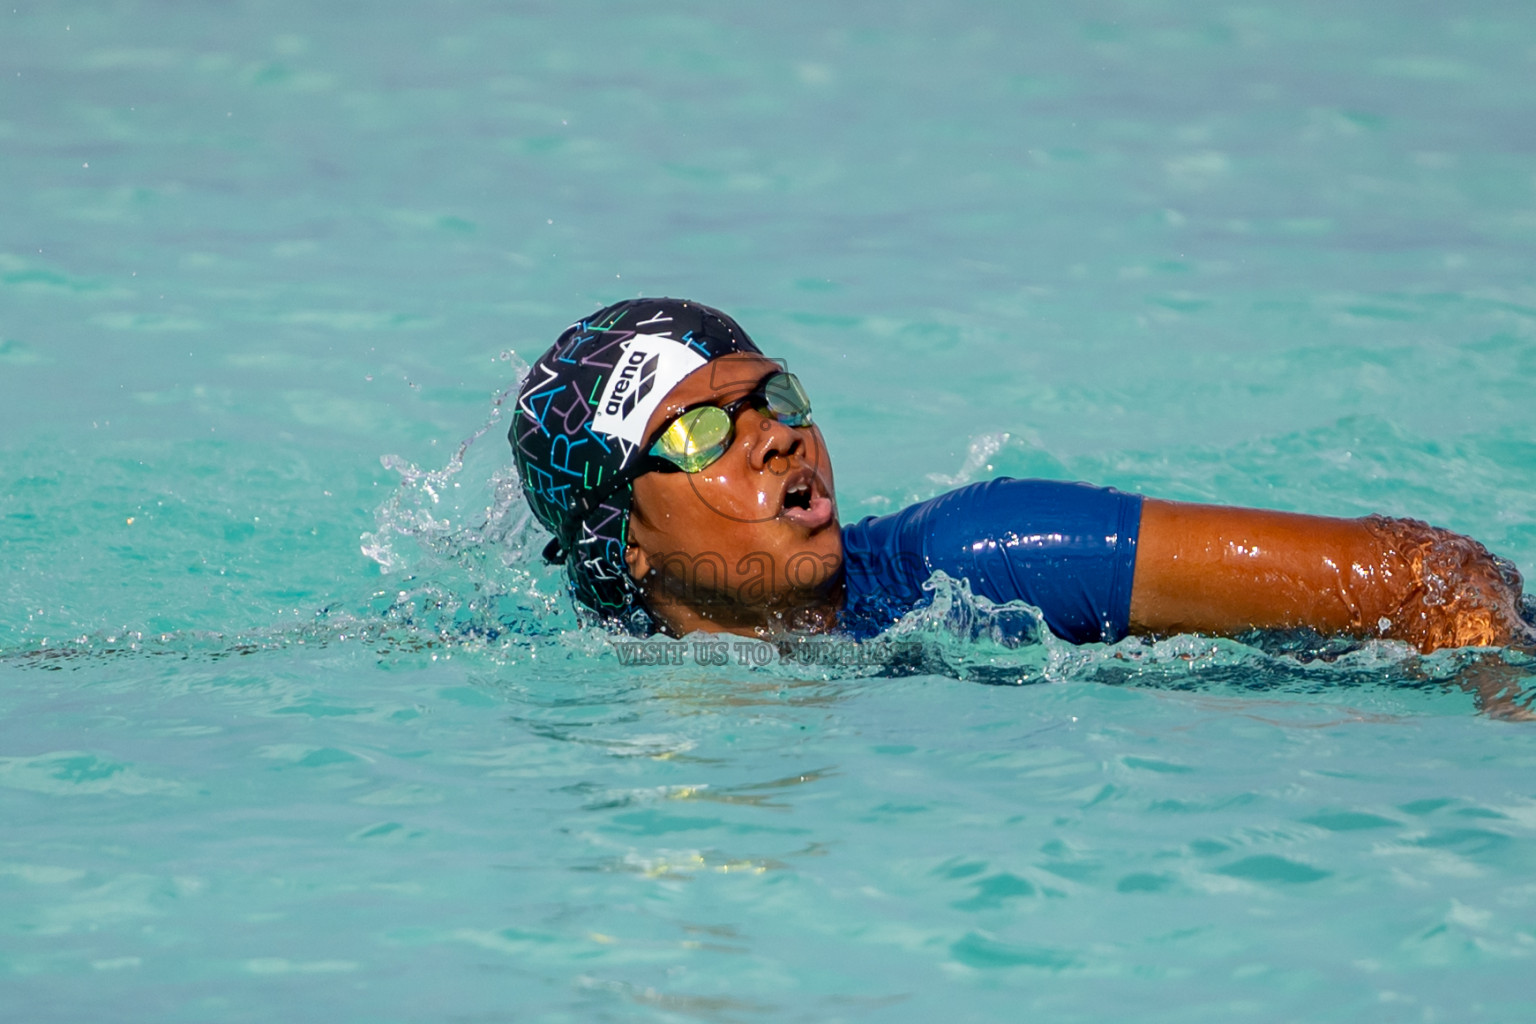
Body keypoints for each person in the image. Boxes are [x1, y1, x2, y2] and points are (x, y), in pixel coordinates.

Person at [510, 297, 1531, 655]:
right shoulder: (580, 686)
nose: (775, 441)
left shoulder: (983, 560)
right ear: (623, 542)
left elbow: (1427, 576)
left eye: (773, 401)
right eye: (698, 434)